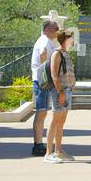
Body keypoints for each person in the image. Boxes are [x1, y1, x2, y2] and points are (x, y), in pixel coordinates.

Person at [44, 29, 76, 164]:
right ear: (66, 39)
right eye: (71, 38)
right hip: (59, 91)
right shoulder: (56, 54)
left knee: (61, 122)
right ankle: (48, 153)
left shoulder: (66, 54)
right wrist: (61, 92)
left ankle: (58, 151)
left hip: (67, 90)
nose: (73, 41)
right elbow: (54, 75)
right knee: (55, 121)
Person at [30, 18, 59, 156]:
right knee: (41, 112)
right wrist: (46, 71)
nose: (57, 32)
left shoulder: (45, 40)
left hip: (40, 81)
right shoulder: (44, 41)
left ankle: (38, 144)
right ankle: (38, 145)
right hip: (42, 82)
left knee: (42, 112)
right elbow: (42, 54)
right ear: (48, 30)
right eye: (55, 29)